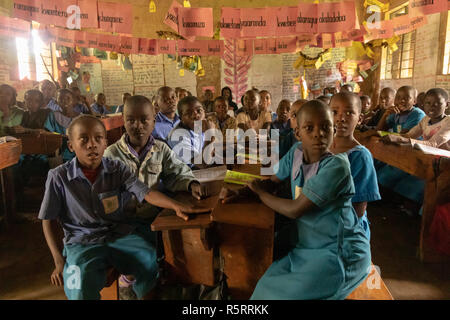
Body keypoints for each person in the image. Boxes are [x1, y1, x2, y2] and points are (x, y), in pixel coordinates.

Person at [38, 114, 210, 300]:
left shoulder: (116, 168)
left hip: (119, 235)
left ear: (105, 143)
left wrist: (175, 206)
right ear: (71, 146)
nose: (91, 145)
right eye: (84, 139)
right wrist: (58, 261)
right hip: (82, 243)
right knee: (77, 283)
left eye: (98, 138)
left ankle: (145, 295)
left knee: (149, 259)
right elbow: (48, 220)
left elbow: (145, 192)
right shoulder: (58, 177)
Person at [221, 100, 371, 300]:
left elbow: (295, 209)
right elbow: (271, 182)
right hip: (306, 246)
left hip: (338, 254)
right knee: (264, 287)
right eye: (309, 128)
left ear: (334, 131)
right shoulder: (296, 153)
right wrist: (241, 193)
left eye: (326, 127)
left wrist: (260, 194)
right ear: (298, 133)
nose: (318, 134)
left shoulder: (337, 167)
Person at [329, 92, 381, 240]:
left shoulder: (360, 156)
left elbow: (358, 208)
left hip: (346, 230)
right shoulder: (323, 147)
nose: (341, 118)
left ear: (360, 118)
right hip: (324, 219)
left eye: (349, 112)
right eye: (334, 112)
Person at [382, 88, 450, 150]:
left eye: (437, 104)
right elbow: (409, 135)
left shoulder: (448, 121)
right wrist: (389, 136)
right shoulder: (426, 119)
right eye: (428, 103)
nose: (431, 107)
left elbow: (432, 144)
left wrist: (400, 139)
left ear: (447, 105)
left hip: (444, 160)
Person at [167, 96, 215, 169]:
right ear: (181, 119)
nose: (196, 116)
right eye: (189, 113)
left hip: (202, 171)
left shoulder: (201, 127)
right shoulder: (177, 135)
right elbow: (201, 163)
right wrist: (209, 136)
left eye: (199, 111)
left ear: (204, 112)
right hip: (186, 176)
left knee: (236, 175)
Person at [45, 89, 79, 162]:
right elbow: (47, 133)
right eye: (60, 98)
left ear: (73, 100)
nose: (64, 101)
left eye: (68, 98)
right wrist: (61, 136)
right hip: (59, 155)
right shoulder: (53, 116)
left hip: (78, 154)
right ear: (57, 101)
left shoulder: (81, 118)